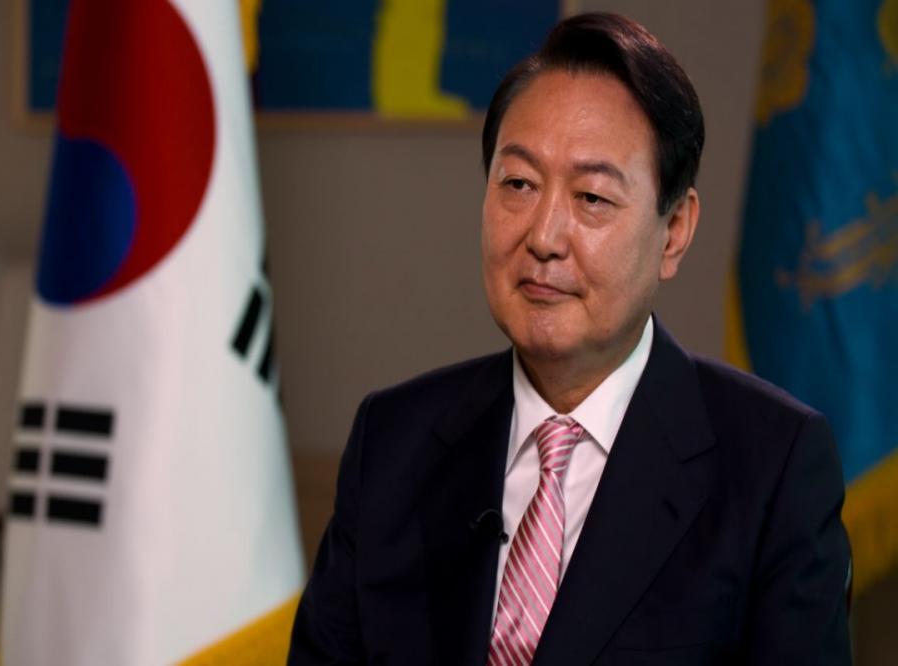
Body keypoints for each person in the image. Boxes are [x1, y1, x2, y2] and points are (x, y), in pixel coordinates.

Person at [288, 12, 851, 665]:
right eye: (519, 184)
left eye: (591, 198)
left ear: (674, 231)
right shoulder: (393, 442)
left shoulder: (775, 467)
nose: (545, 237)